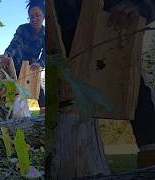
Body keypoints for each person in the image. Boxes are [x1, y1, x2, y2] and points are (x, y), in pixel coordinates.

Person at [54, 0, 155, 168]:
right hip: (61, 59)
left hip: (105, 38)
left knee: (134, 88)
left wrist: (143, 7)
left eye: (37, 15)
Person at [0, 0, 45, 115]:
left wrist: (40, 63)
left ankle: (45, 117)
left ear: (43, 16)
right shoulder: (22, 29)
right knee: (7, 91)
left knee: (40, 93)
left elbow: (45, 54)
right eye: (31, 17)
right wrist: (7, 55)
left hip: (31, 68)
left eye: (37, 16)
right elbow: (14, 44)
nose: (34, 19)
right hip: (15, 66)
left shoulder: (46, 34)